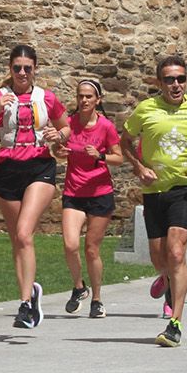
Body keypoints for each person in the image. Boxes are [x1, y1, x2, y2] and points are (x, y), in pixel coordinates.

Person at [120, 54, 187, 348]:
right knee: (158, 257)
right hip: (154, 190)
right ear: (159, 82)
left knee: (176, 253)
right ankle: (166, 279)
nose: (176, 85)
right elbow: (124, 141)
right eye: (169, 79)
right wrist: (138, 167)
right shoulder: (146, 110)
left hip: (186, 187)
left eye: (181, 79)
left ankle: (175, 323)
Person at [0, 44, 70, 329]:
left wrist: (57, 134)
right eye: (17, 68)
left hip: (39, 167)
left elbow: (67, 128)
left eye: (27, 68)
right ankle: (29, 293)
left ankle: (25, 304)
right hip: (7, 171)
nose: (22, 73)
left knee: (25, 233)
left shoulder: (46, 98)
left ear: (35, 69)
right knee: (17, 239)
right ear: (10, 70)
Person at [55, 76, 123, 318]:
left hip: (99, 194)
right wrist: (59, 151)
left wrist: (100, 156)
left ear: (98, 100)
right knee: (70, 244)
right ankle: (78, 287)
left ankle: (96, 299)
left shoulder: (105, 127)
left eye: (88, 96)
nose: (83, 100)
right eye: (80, 96)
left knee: (91, 249)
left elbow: (119, 157)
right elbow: (57, 148)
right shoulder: (70, 124)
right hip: (74, 192)